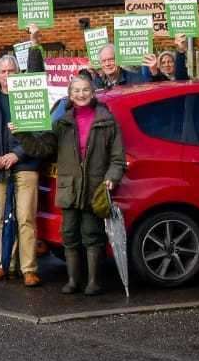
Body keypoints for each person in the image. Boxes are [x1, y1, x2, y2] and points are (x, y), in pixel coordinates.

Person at [17, 73, 126, 295]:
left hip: (95, 188)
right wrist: (22, 133)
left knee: (92, 234)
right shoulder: (61, 123)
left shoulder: (107, 121)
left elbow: (117, 158)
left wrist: (112, 177)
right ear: (70, 94)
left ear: (93, 92)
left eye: (85, 90)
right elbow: (42, 149)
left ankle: (94, 282)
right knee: (69, 235)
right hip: (69, 188)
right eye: (76, 90)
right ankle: (74, 280)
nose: (81, 94)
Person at [0, 48, 46, 288]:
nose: (6, 75)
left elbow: (39, 131)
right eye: (2, 71)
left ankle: (28, 269)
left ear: (19, 72)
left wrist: (16, 154)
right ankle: (6, 265)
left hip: (25, 164)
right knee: (4, 218)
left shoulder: (30, 94)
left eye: (11, 71)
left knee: (25, 217)